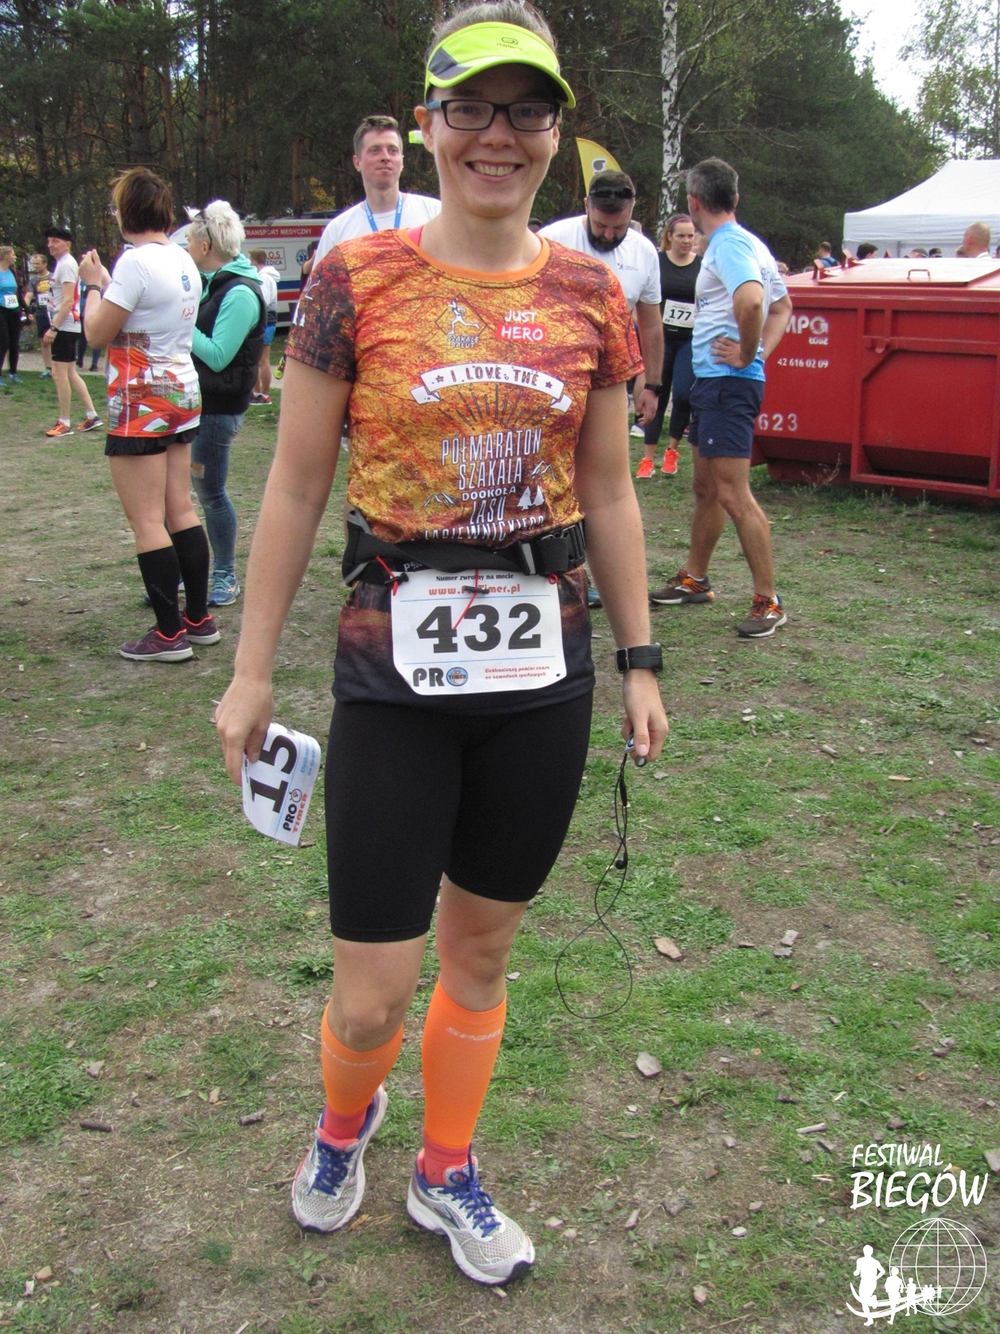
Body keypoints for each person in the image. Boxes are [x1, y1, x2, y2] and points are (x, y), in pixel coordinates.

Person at [214, 0, 667, 1288]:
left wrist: (639, 660)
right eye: (470, 106)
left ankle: (445, 1164)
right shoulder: (355, 278)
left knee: (478, 953)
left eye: (526, 110)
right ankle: (341, 1121)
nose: (496, 135)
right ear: (426, 124)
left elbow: (611, 489)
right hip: (391, 669)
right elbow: (297, 482)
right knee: (371, 991)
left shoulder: (589, 289)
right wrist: (250, 668)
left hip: (541, 673)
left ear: (556, 132)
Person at [77, 167, 217, 662]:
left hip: (140, 399)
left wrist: (93, 286)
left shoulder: (134, 262)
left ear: (125, 213)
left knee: (147, 520)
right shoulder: (181, 257)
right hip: (182, 392)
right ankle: (198, 618)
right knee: (181, 507)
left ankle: (167, 634)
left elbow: (96, 334)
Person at [649, 157, 792, 637]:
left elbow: (754, 301)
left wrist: (749, 354)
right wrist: (758, 353)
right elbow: (784, 307)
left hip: (728, 384)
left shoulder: (730, 245)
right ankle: (695, 579)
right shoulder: (750, 243)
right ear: (735, 197)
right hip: (714, 382)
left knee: (733, 493)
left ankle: (768, 601)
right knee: (706, 488)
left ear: (693, 203)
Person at [540, 171, 664, 468]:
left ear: (632, 210)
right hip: (553, 371)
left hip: (609, 377)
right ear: (587, 205)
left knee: (605, 465)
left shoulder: (644, 252)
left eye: (619, 227)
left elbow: (651, 324)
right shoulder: (550, 240)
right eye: (600, 225)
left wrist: (652, 384)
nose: (609, 235)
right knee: (552, 463)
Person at [186, 201, 267, 607]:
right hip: (201, 403)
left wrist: (181, 320)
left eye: (188, 241)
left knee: (211, 494)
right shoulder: (216, 283)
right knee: (191, 492)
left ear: (205, 246)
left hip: (218, 409)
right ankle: (191, 572)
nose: (185, 248)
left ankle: (225, 576)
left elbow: (218, 356)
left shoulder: (239, 292)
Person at [313, 114, 441, 262]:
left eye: (392, 150)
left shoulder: (435, 214)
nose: (385, 157)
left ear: (402, 161)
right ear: (357, 162)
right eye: (375, 150)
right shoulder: (337, 231)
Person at [637, 213, 700, 478]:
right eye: (681, 235)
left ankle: (672, 451)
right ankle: (647, 458)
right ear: (669, 237)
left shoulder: (702, 265)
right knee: (657, 393)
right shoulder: (658, 261)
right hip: (661, 338)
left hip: (689, 339)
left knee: (684, 394)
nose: (686, 240)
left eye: (690, 236)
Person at [41, 226, 102, 437]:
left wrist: (54, 328)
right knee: (70, 373)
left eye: (55, 241)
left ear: (67, 244)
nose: (50, 245)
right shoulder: (62, 264)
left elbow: (68, 300)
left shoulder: (67, 264)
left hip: (65, 326)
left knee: (59, 374)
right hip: (67, 326)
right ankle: (92, 415)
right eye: (49, 241)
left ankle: (64, 422)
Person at [248, 248, 280, 405]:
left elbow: (264, 300)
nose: (248, 263)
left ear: (254, 261)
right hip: (266, 321)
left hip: (265, 321)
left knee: (262, 359)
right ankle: (257, 393)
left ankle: (264, 394)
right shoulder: (265, 277)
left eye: (249, 260)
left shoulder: (264, 278)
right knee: (257, 359)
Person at [0, 246, 25, 385]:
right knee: (3, 342)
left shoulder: (13, 272)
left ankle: (13, 372)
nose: (15, 257)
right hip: (1, 310)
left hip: (14, 310)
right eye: (13, 254)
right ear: (5, 256)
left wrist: (26, 310)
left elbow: (18, 293)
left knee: (14, 343)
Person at [27, 253, 54, 377]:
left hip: (54, 313)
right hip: (41, 313)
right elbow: (28, 295)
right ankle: (48, 368)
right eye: (34, 264)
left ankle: (59, 367)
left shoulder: (53, 277)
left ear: (45, 264)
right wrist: (25, 309)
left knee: (57, 340)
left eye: (38, 263)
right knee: (44, 341)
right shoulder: (33, 280)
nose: (35, 266)